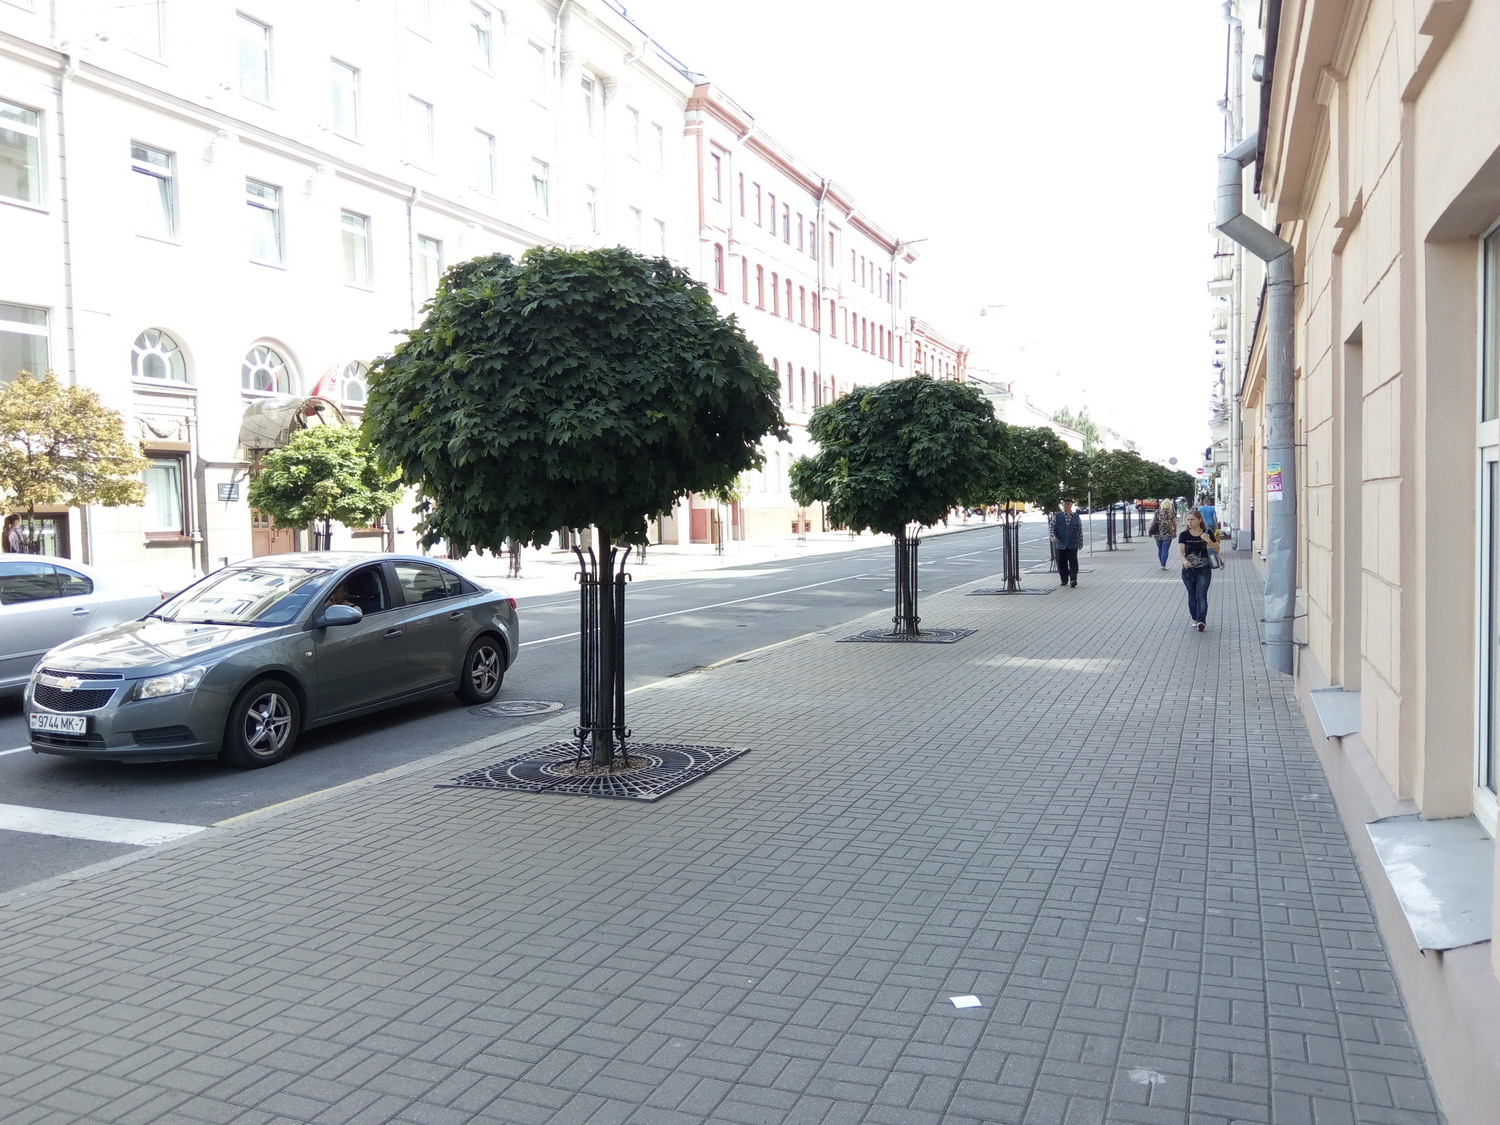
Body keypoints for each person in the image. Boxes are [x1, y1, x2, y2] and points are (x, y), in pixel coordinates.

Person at [1178, 509, 1220, 631]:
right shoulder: (1184, 535)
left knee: (1201, 595)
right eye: (1188, 520)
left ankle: (1201, 621)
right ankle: (1195, 618)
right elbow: (1180, 551)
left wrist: (1208, 540)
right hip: (1188, 570)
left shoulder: (1208, 532)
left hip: (1204, 569)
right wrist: (1184, 561)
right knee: (1192, 595)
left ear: (1200, 520)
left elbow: (1217, 549)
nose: (1190, 522)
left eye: (1192, 519)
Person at [1050, 497, 1084, 588]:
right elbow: (1052, 528)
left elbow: (1080, 531)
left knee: (1073, 562)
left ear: (1071, 505)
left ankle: (1073, 579)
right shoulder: (1057, 516)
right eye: (1065, 504)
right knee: (1061, 562)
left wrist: (1080, 543)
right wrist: (1053, 536)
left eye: (1068, 504)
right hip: (1061, 544)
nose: (1066, 505)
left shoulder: (1076, 517)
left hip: (1073, 543)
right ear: (1063, 505)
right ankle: (1064, 579)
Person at [1147, 500, 1178, 570]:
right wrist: (1175, 530)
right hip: (1168, 533)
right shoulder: (1171, 513)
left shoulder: (1157, 512)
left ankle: (1162, 562)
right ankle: (1163, 564)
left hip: (1158, 533)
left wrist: (1150, 531)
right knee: (1165, 549)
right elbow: (1174, 523)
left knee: (1160, 549)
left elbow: (1153, 522)